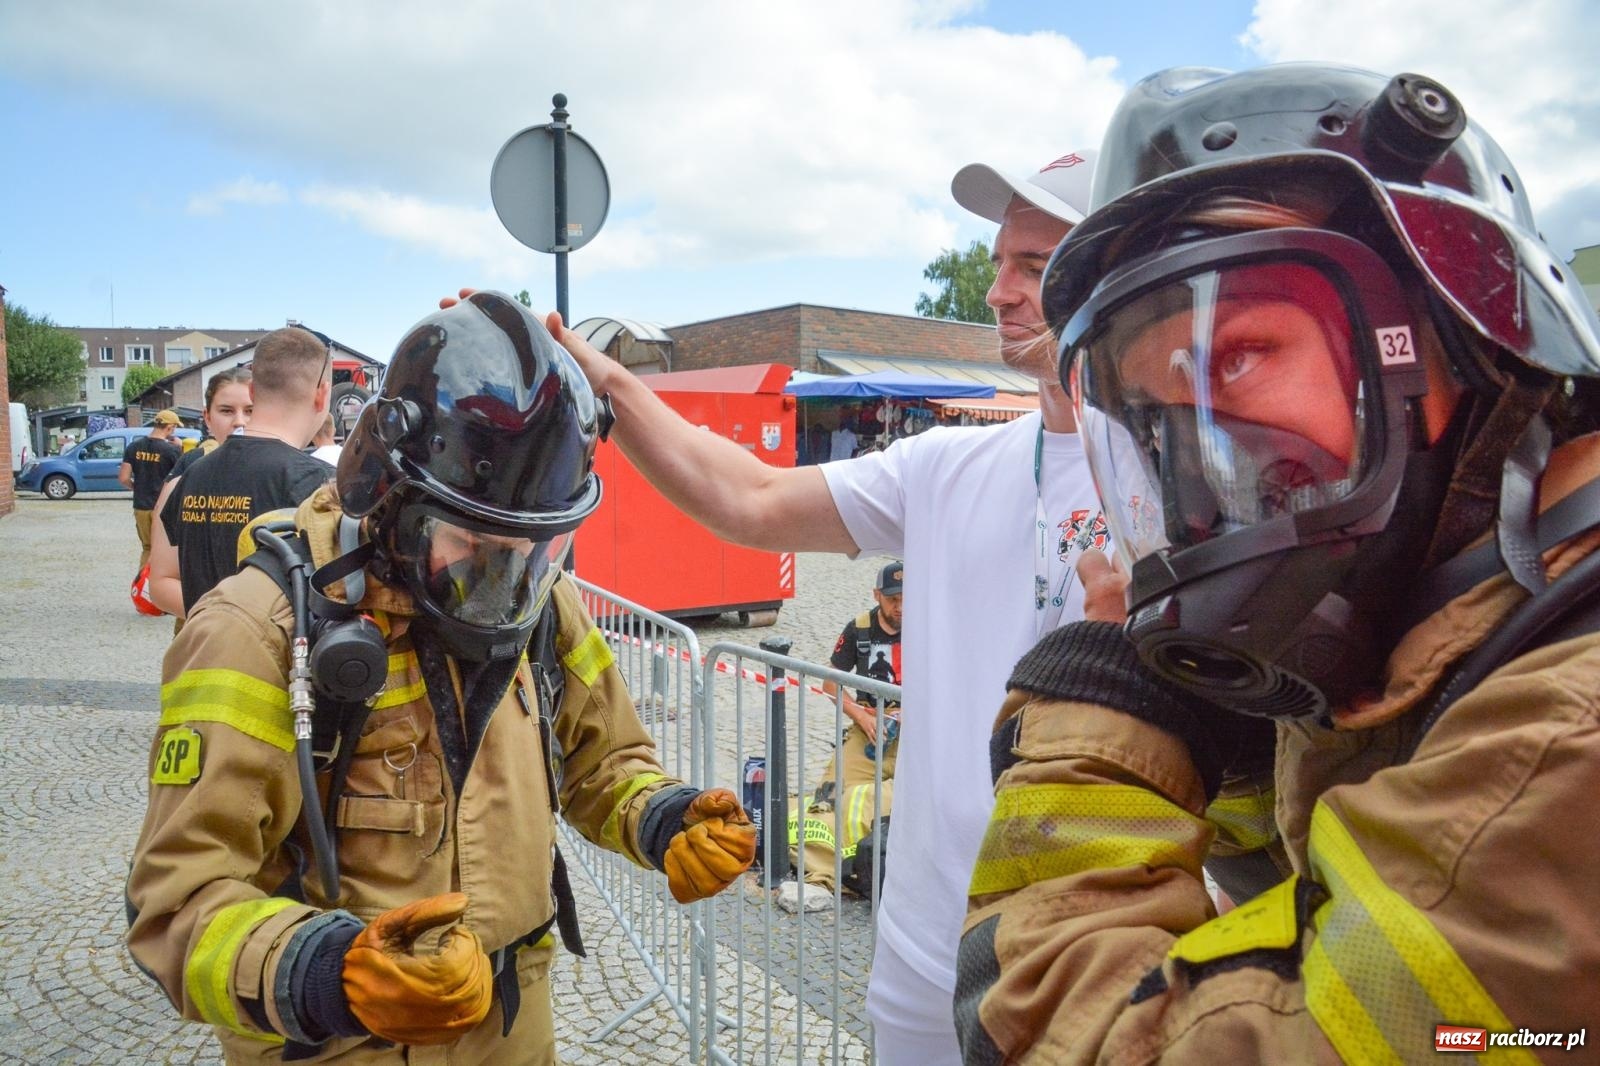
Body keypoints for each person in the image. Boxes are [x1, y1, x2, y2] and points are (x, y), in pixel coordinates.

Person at [953, 64, 1600, 1063]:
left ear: (1455, 325)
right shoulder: (1469, 616)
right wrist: (1250, 744)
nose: (1202, 472)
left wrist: (1105, 726)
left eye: (1237, 355)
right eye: (1155, 414)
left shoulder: (1565, 733)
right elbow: (1330, 889)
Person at [449, 144, 1107, 1065]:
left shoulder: (1199, 484)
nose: (998, 290)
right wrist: (611, 385)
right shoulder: (951, 463)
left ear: (1119, 271)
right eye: (998, 262)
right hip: (924, 957)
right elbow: (751, 500)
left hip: (1090, 963)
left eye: (1033, 267)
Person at [125, 292, 758, 1062]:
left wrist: (664, 818)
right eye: (467, 538)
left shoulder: (539, 602)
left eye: (533, 546)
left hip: (513, 1032)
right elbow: (177, 902)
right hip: (348, 1047)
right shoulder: (255, 629)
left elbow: (603, 761)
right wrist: (327, 973)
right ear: (384, 491)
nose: (503, 573)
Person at [151, 329, 334, 619]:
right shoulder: (322, 485)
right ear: (322, 394)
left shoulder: (189, 478)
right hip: (279, 661)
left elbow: (164, 581)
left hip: (202, 652)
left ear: (253, 390)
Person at [781, 559, 905, 913]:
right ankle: (822, 874)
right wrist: (861, 716)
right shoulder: (860, 630)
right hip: (868, 733)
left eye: (907, 598)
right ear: (877, 595)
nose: (900, 607)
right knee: (830, 797)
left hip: (917, 732)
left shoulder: (927, 626)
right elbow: (830, 683)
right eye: (893, 598)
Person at [119, 409, 182, 571]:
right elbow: (180, 478)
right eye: (174, 428)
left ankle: (142, 586)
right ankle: (160, 586)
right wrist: (180, 449)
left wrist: (137, 488)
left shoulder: (134, 447)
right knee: (165, 548)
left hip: (140, 506)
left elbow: (124, 478)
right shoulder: (171, 450)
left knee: (147, 548)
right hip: (162, 508)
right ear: (169, 427)